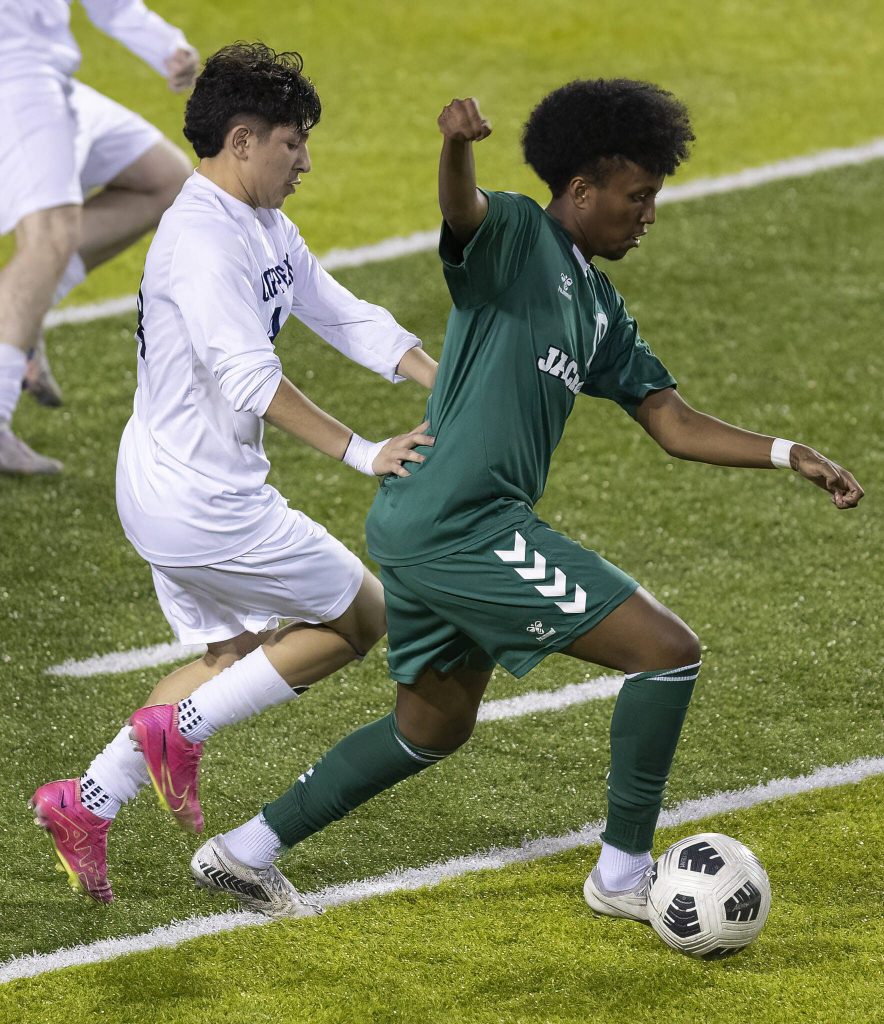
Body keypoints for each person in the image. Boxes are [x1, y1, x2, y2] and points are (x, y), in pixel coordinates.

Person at [179, 78, 864, 922]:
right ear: (583, 190)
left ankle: (244, 850)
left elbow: (673, 422)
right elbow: (461, 208)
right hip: (462, 526)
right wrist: (456, 145)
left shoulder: (600, 307)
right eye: (638, 196)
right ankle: (620, 877)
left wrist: (789, 453)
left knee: (430, 729)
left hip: (428, 527)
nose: (648, 215)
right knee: (667, 651)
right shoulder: (513, 235)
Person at [30, 42, 437, 904]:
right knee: (363, 617)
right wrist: (366, 452)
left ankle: (85, 801)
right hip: (201, 497)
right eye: (294, 143)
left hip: (167, 477)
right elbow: (250, 379)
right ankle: (175, 732)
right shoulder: (202, 238)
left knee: (233, 657)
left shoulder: (260, 225)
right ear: (244, 140)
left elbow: (343, 313)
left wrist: (441, 378)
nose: (306, 161)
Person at [0, 0, 200, 475]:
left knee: (165, 180)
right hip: (12, 74)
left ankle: (19, 306)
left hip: (48, 74)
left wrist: (165, 46)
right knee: (51, 233)